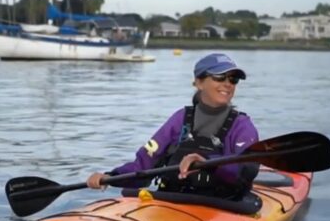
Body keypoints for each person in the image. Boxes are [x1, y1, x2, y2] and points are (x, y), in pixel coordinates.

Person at [86, 52, 259, 200]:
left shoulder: (242, 126)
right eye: (220, 77)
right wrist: (110, 177)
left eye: (233, 79)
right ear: (199, 82)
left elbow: (246, 170)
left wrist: (207, 163)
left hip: (222, 205)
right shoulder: (180, 119)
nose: (228, 84)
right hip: (172, 202)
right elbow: (143, 166)